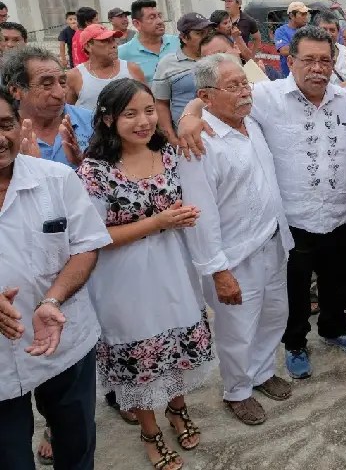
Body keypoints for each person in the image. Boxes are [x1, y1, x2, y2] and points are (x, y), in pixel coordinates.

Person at [179, 26, 346, 380]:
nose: (317, 68)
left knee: (339, 281)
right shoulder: (265, 95)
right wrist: (189, 115)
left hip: (340, 212)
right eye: (308, 59)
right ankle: (295, 343)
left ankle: (334, 328)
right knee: (293, 290)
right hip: (293, 219)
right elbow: (212, 96)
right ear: (291, 60)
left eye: (325, 60)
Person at [77, 79, 213, 470]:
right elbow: (94, 238)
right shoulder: (94, 171)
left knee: (176, 346)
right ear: (107, 118)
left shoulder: (168, 153)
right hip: (124, 280)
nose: (144, 121)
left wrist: (181, 218)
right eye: (130, 114)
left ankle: (178, 409)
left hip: (173, 268)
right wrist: (159, 221)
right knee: (140, 356)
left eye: (149, 110)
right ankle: (149, 431)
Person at [0, 86, 112, 470]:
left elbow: (87, 246)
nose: (1, 137)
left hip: (65, 339)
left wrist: (53, 299)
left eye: (6, 124)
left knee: (76, 441)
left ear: (19, 124)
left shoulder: (56, 178)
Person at [179, 54, 294, 425]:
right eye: (233, 87)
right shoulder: (200, 142)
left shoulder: (250, 122)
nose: (245, 92)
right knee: (237, 329)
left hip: (272, 241)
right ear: (207, 96)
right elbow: (200, 215)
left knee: (274, 315)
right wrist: (218, 270)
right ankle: (237, 390)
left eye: (244, 83)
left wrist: (192, 110)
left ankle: (261, 373)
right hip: (233, 256)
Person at [3, 45, 92, 169]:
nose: (60, 94)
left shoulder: (91, 122)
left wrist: (82, 163)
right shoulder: (5, 135)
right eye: (47, 84)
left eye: (62, 82)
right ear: (15, 90)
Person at [152, 12, 213, 144]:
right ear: (184, 38)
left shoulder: (217, 58)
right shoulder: (167, 64)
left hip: (219, 134)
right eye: (199, 33)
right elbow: (161, 104)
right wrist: (171, 137)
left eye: (208, 32)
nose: (206, 37)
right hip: (186, 139)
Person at [66, 24, 145, 111]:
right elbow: (67, 112)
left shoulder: (132, 69)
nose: (114, 45)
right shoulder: (75, 76)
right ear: (88, 46)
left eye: (113, 40)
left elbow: (147, 104)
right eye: (105, 41)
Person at [118, 0, 180, 84]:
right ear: (137, 24)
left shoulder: (178, 43)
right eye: (152, 18)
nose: (160, 22)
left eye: (159, 16)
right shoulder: (122, 53)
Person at [314, 11, 346, 85]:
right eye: (324, 29)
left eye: (332, 30)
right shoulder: (308, 54)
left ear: (338, 32)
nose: (328, 34)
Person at [274, 1, 309, 78]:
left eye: (306, 14)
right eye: (302, 14)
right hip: (288, 75)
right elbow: (284, 50)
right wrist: (308, 49)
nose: (305, 17)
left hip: (306, 75)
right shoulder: (281, 31)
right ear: (292, 15)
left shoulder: (309, 30)